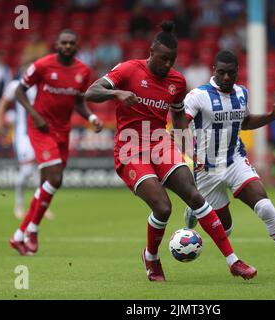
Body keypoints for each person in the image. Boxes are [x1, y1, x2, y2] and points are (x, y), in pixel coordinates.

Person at [85, 21, 257, 282]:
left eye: (172, 60)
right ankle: (151, 257)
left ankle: (233, 261)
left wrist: (190, 151)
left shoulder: (177, 81)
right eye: (163, 59)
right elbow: (91, 92)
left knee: (194, 196)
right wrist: (118, 94)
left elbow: (178, 119)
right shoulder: (129, 69)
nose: (168, 65)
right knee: (163, 207)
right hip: (130, 148)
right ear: (152, 51)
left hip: (159, 142)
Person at [181, 50, 275, 280]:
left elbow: (246, 122)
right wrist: (189, 153)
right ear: (214, 71)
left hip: (235, 161)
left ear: (238, 71)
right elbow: (180, 125)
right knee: (225, 228)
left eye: (231, 73)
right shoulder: (197, 96)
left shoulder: (242, 93)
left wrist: (272, 115)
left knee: (266, 207)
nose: (227, 77)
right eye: (222, 73)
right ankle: (193, 210)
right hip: (207, 170)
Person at [9, 29, 103, 256]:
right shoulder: (42, 65)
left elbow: (78, 102)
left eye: (71, 43)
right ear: (57, 45)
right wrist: (35, 115)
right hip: (41, 128)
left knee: (47, 185)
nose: (68, 46)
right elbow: (19, 92)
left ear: (76, 45)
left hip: (63, 130)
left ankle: (18, 236)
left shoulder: (82, 71)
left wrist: (90, 117)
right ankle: (32, 230)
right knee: (55, 178)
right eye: (64, 43)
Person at [0, 64, 54, 220]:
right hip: (23, 135)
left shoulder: (42, 86)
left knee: (41, 172)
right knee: (27, 171)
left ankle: (41, 206)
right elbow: (2, 103)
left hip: (41, 134)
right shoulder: (15, 85)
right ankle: (19, 205)